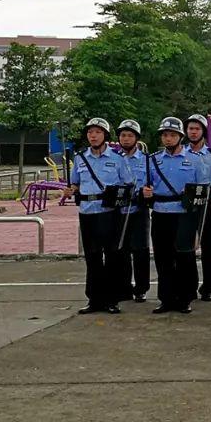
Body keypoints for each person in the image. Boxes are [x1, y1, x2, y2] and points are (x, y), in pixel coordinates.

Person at [143, 117, 208, 314]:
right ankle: (166, 298)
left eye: (172, 135)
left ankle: (185, 298)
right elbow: (147, 184)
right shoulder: (153, 160)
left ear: (180, 137)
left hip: (184, 213)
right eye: (165, 135)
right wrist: (146, 192)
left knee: (184, 257)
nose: (168, 138)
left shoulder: (195, 160)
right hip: (161, 213)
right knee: (163, 258)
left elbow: (202, 189)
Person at [68, 118, 133, 314]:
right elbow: (75, 183)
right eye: (90, 132)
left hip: (108, 213)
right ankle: (94, 299)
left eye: (97, 132)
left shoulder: (118, 158)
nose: (93, 136)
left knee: (112, 256)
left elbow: (128, 184)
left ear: (105, 135)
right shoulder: (80, 158)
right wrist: (70, 190)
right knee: (92, 257)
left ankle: (111, 299)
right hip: (87, 212)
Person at [184, 114, 211, 302]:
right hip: (187, 203)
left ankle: (207, 287)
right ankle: (189, 286)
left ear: (203, 132)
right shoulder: (181, 152)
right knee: (187, 245)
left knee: (208, 246)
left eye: (197, 129)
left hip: (208, 202)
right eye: (190, 128)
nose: (193, 132)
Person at [113, 119, 150, 303]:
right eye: (123, 135)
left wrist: (143, 193)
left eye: (130, 135)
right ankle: (124, 287)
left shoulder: (147, 160)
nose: (126, 139)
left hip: (138, 209)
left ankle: (141, 288)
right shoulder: (113, 158)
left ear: (136, 138)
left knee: (140, 249)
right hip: (119, 210)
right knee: (121, 250)